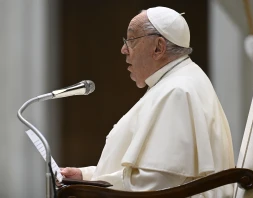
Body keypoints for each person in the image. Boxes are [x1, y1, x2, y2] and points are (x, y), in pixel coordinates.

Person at [61, 6, 235, 197]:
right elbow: (147, 175)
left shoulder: (178, 91)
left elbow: (157, 185)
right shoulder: (174, 82)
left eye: (131, 40)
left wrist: (88, 187)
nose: (123, 49)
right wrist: (84, 176)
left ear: (158, 47)